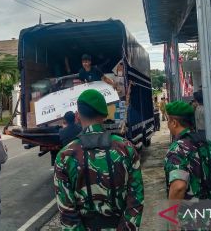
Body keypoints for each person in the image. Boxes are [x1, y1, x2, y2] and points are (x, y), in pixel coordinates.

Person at [54, 89, 144, 230]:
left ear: (77, 116)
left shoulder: (65, 156)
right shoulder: (126, 148)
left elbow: (67, 212)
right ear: (105, 115)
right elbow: (136, 199)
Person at [164, 101, 211, 230]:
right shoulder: (208, 145)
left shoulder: (177, 149)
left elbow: (179, 187)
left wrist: (171, 217)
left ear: (174, 123)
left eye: (168, 120)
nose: (167, 124)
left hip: (186, 221)